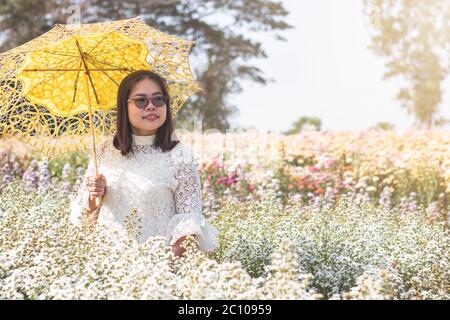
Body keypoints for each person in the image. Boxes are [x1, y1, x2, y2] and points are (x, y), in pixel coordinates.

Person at [69, 70, 218, 257]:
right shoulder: (104, 151)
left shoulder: (180, 156)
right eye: (140, 101)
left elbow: (188, 225)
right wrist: (94, 197)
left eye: (158, 100)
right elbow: (84, 222)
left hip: (156, 273)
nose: (151, 106)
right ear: (124, 107)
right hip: (105, 270)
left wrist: (164, 272)